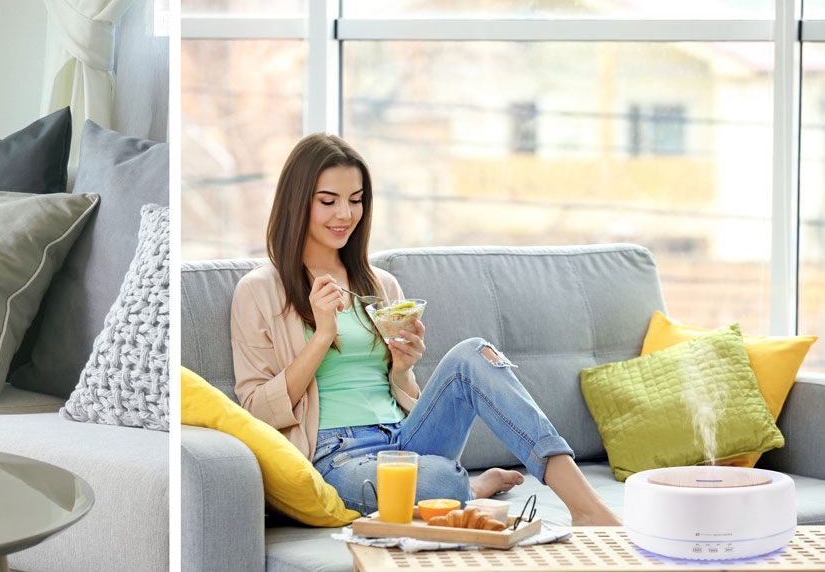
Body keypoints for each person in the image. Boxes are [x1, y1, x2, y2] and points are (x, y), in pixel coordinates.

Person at [231, 132, 621, 524]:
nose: (345, 215)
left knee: (474, 352)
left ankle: (585, 506)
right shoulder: (261, 291)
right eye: (328, 201)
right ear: (297, 202)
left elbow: (402, 393)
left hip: (404, 439)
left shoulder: (379, 286)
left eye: (356, 200)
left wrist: (402, 367)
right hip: (337, 458)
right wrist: (321, 337)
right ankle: (469, 489)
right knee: (444, 481)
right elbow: (255, 412)